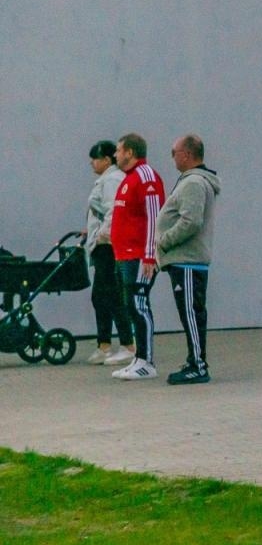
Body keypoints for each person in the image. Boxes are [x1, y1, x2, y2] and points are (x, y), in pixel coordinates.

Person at [155, 134, 220, 385]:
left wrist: (164, 240)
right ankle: (194, 359)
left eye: (174, 152)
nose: (172, 157)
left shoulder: (193, 182)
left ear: (186, 154)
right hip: (184, 261)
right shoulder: (192, 181)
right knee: (190, 313)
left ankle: (198, 365)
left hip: (188, 261)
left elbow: (191, 221)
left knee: (191, 313)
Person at [106, 133, 166, 380]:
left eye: (119, 151)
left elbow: (155, 217)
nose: (115, 155)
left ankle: (147, 363)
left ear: (130, 152)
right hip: (124, 255)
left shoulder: (146, 176)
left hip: (140, 256)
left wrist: (150, 255)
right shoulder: (128, 179)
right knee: (131, 306)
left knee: (139, 306)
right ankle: (139, 358)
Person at [83, 139, 134, 366]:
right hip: (101, 244)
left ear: (106, 159)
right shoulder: (105, 179)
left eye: (95, 158)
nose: (92, 163)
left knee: (111, 295)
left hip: (108, 246)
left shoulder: (113, 179)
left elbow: (115, 210)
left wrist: (104, 235)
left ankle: (127, 344)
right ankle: (104, 345)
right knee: (101, 296)